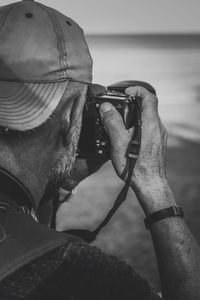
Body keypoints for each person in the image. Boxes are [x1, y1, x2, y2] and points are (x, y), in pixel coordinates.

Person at [0, 1, 199, 299]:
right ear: (71, 115)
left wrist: (63, 183)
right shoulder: (72, 273)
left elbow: (18, 223)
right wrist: (155, 187)